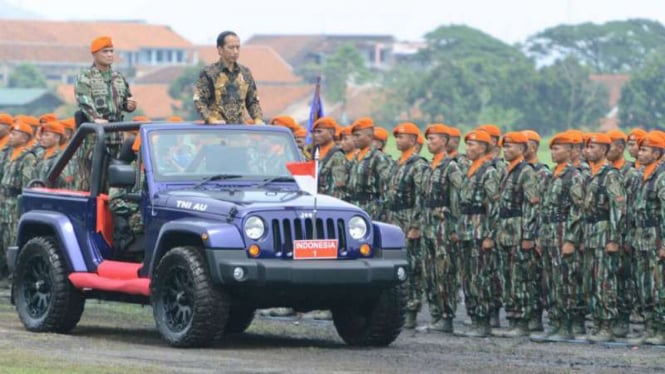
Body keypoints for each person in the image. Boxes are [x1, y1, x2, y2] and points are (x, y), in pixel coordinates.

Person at [538, 131, 585, 340]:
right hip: (548, 234)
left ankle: (566, 325)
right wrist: (540, 236)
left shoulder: (573, 175)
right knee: (550, 281)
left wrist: (571, 239)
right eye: (552, 149)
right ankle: (555, 323)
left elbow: (578, 209)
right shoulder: (550, 175)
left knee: (565, 281)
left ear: (569, 150)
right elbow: (542, 207)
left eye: (557, 148)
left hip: (563, 232)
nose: (553, 152)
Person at [493, 132, 539, 337]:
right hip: (505, 230)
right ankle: (512, 318)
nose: (506, 150)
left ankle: (522, 321)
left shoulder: (526, 172)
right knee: (507, 276)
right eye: (505, 146)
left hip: (519, 230)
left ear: (522, 149)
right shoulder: (506, 170)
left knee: (520, 277)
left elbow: (533, 204)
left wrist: (528, 235)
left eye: (511, 146)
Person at [582, 133, 626, 343]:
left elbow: (618, 208)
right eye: (587, 147)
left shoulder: (610, 175)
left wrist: (614, 239)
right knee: (592, 280)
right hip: (590, 232)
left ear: (603, 150)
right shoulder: (591, 174)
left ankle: (607, 324)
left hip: (604, 232)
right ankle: (597, 322)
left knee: (604, 281)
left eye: (593, 147)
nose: (588, 150)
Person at [385, 122, 429, 329]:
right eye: (397, 137)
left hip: (409, 216)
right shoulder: (397, 163)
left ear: (413, 140)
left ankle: (411, 310)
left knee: (411, 265)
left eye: (402, 137)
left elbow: (422, 196)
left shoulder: (418, 164)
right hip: (394, 217)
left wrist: (416, 224)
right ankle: (398, 309)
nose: (398, 140)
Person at [421, 124, 464, 333]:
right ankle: (435, 314)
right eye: (428, 139)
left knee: (443, 271)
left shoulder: (451, 167)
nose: (430, 142)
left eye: (434, 139)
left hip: (443, 226)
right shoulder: (430, 166)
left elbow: (457, 197)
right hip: (428, 225)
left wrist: (455, 226)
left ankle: (447, 316)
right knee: (429, 272)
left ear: (445, 142)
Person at [458, 130, 500, 337]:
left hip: (480, 230)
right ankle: (474, 317)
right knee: (468, 277)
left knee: (480, 277)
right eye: (467, 145)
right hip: (466, 230)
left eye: (473, 145)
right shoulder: (469, 169)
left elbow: (494, 205)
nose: (469, 149)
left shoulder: (488, 172)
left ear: (483, 147)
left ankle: (483, 321)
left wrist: (490, 235)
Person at [628, 131, 665, 345]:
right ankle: (650, 328)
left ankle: (660, 329)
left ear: (658, 152)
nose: (639, 153)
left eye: (644, 150)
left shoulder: (661, 176)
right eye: (639, 149)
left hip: (655, 239)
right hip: (641, 239)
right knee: (643, 286)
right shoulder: (642, 175)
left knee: (658, 286)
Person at [75, 36, 137, 158]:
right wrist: (95, 117)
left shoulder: (118, 77)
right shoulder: (85, 76)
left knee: (115, 172)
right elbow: (83, 100)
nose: (109, 54)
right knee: (93, 173)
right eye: (105, 51)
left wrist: (130, 105)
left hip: (116, 135)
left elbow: (125, 101)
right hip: (94, 136)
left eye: (111, 51)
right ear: (95, 54)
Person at [193, 31, 263, 125]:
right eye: (231, 48)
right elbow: (199, 100)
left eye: (237, 47)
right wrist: (210, 119)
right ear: (220, 49)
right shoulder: (209, 73)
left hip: (239, 132)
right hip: (215, 131)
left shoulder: (245, 73)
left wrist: (258, 120)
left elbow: (253, 101)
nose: (235, 51)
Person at [522, 129, 551, 332]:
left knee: (535, 277)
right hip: (517, 230)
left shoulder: (541, 172)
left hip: (534, 232)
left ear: (535, 146)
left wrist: (536, 235)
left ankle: (535, 318)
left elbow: (541, 207)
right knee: (520, 277)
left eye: (527, 143)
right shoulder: (517, 171)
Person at [0, 120, 36, 281]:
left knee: (12, 239)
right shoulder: (8, 154)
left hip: (14, 202)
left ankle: (15, 277)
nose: (11, 136)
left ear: (24, 137)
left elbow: (26, 183)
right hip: (3, 200)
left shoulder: (27, 157)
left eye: (15, 133)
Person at [346, 117, 393, 220]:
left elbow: (387, 189)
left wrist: (383, 214)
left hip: (372, 211)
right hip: (354, 209)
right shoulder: (355, 158)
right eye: (353, 135)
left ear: (370, 135)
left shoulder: (378, 157)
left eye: (357, 135)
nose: (354, 139)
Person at [312, 117, 346, 199]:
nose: (316, 135)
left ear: (331, 132)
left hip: (329, 201)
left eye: (319, 132)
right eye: (314, 132)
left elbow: (338, 186)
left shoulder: (337, 155)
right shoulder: (315, 153)